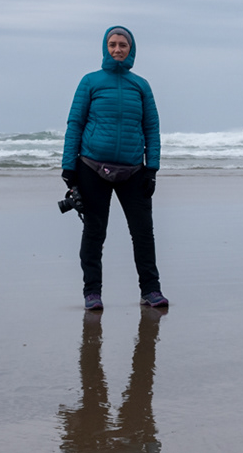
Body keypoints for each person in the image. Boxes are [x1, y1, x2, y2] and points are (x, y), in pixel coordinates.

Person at [62, 26, 166, 311]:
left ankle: (151, 290)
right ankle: (92, 293)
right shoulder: (90, 82)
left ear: (131, 49)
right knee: (94, 232)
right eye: (112, 44)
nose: (117, 49)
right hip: (91, 167)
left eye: (122, 45)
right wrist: (68, 168)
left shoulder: (141, 86)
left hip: (133, 170)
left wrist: (152, 169)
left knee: (143, 233)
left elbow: (152, 128)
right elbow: (75, 124)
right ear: (105, 48)